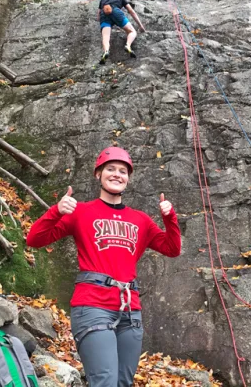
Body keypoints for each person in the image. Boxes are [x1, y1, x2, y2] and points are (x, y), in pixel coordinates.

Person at [26, 147, 181, 387]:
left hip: (130, 309)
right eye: (110, 169)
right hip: (93, 305)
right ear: (98, 174)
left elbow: (172, 249)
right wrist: (56, 211)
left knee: (122, 382)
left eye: (123, 171)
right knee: (105, 382)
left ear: (128, 178)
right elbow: (34, 239)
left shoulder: (141, 219)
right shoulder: (81, 212)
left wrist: (170, 219)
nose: (117, 174)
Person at [97, 0, 146, 64]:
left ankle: (106, 51)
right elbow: (131, 11)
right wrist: (140, 25)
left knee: (105, 37)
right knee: (132, 31)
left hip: (104, 14)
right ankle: (128, 46)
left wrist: (103, 21)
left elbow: (98, 15)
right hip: (116, 12)